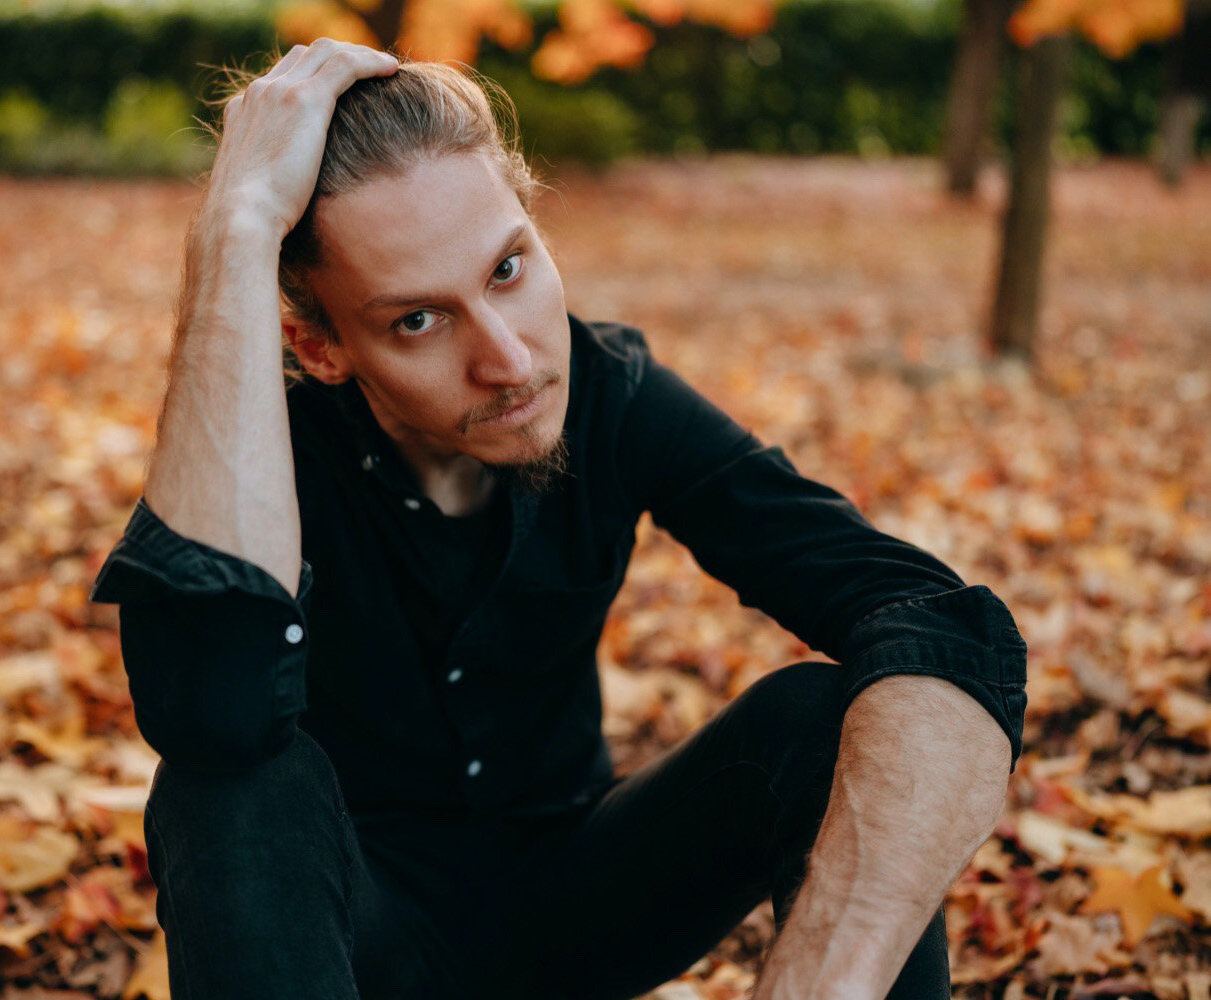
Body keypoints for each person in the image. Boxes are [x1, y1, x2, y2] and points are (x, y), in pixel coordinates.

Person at [88, 39, 1028, 1000]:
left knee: (827, 722)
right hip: (352, 942)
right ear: (320, 347)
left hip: (576, 910)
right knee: (231, 788)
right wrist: (235, 231)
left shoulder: (612, 394)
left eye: (507, 268)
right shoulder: (254, 448)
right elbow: (210, 712)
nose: (509, 361)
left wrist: (830, 981)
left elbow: (937, 624)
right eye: (418, 320)